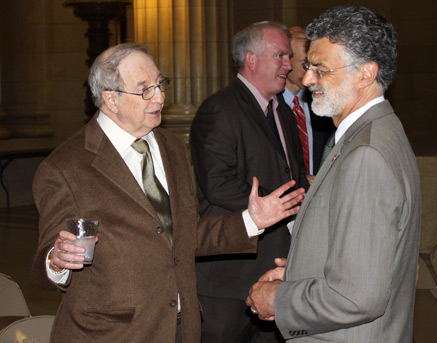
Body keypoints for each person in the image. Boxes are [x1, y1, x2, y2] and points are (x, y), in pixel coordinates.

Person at [28, 43, 305, 343]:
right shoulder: (65, 167)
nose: (159, 96)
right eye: (144, 89)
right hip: (110, 334)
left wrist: (251, 221)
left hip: (180, 328)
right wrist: (56, 260)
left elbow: (185, 234)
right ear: (111, 99)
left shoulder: (171, 147)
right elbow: (44, 263)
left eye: (160, 84)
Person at [246, 5, 421, 343]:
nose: (307, 79)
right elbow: (363, 259)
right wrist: (297, 272)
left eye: (321, 69)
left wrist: (278, 299)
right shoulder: (376, 131)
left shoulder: (367, 154)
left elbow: (357, 296)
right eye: (308, 67)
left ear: (366, 74)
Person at [189, 21, 309, 343]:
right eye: (281, 56)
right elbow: (218, 183)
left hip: (274, 270)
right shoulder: (219, 109)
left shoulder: (282, 110)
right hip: (229, 277)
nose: (289, 65)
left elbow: (294, 176)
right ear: (252, 60)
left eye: (289, 56)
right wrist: (282, 204)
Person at [282, 26, 335, 184]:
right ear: (286, 61)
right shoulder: (268, 107)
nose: (312, 73)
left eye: (317, 65)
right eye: (305, 64)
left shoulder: (323, 101)